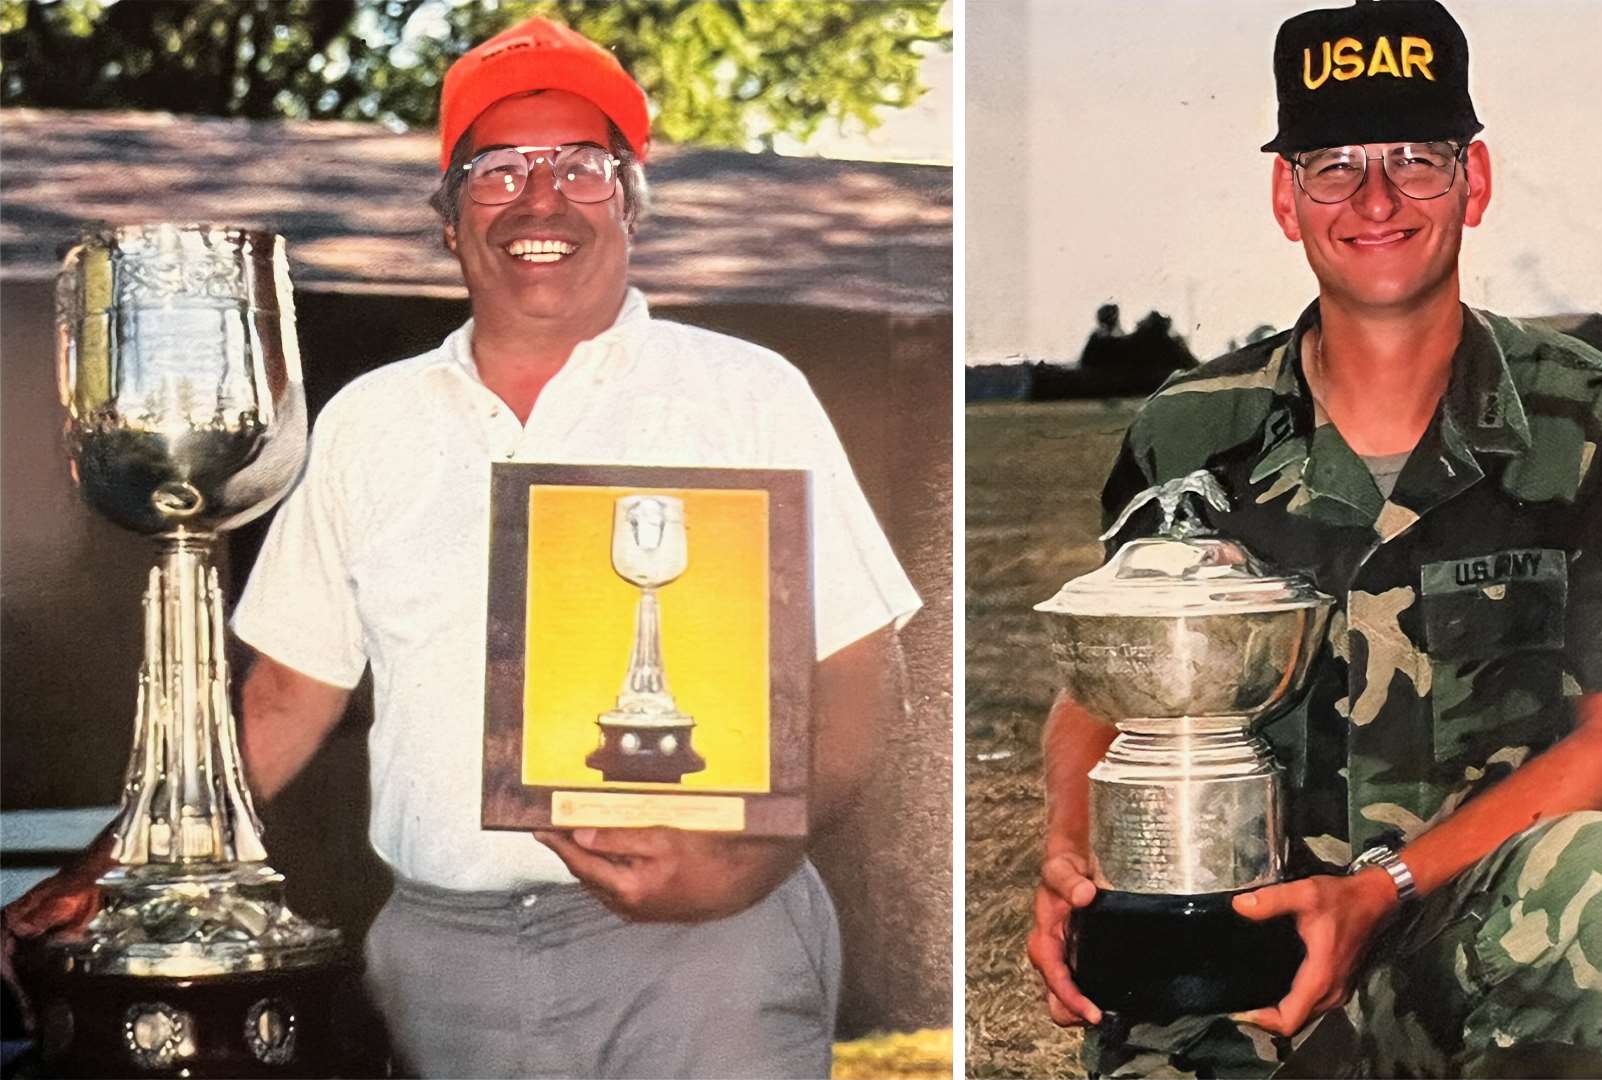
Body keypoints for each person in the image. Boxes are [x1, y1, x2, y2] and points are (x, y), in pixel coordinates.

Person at [5, 17, 919, 1078]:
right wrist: (110, 867)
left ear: (630, 203)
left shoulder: (745, 392)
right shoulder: (368, 420)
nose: (541, 200)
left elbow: (863, 667)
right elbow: (284, 699)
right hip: (443, 966)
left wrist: (757, 857)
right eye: (499, 171)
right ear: (449, 220)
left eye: (581, 166)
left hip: (708, 956)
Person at [1027, 2, 1602, 1076]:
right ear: (1285, 198)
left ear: (1474, 182)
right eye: (1334, 165)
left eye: (1415, 161)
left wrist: (1381, 890)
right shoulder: (1190, 430)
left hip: (1461, 935)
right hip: (1233, 960)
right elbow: (1109, 688)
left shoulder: (1585, 422)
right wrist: (1072, 847)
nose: (1376, 199)